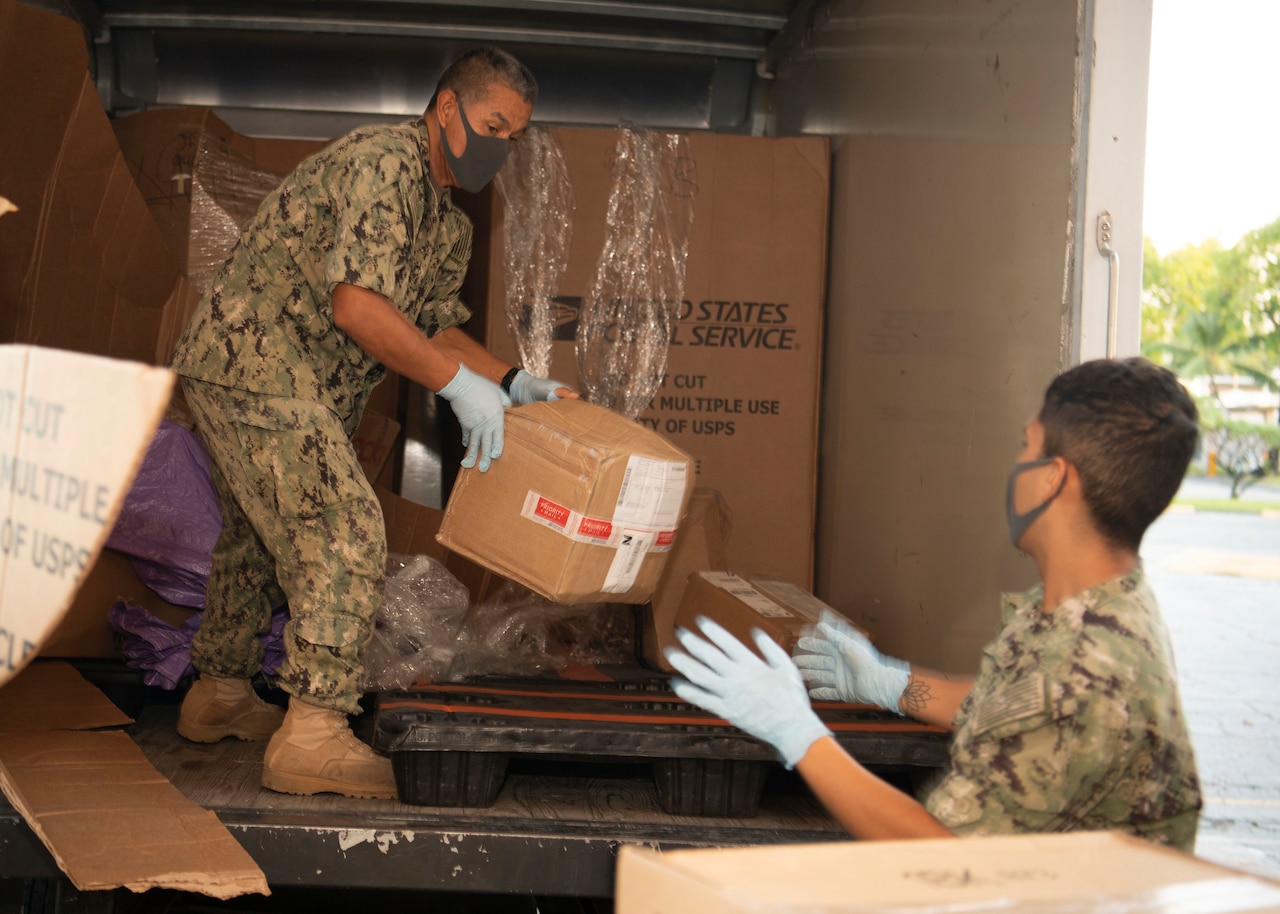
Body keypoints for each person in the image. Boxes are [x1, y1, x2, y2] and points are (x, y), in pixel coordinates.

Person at [169, 46, 574, 799]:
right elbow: (357, 306)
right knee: (342, 526)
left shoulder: (447, 226)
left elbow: (435, 329)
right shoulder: (385, 163)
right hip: (253, 361)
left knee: (259, 535)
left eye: (514, 138)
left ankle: (217, 694)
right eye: (493, 126)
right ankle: (314, 734)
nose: (501, 149)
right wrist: (456, 386)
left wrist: (511, 381)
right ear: (446, 109)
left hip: (273, 377)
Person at [667, 357, 1203, 849]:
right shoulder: (1100, 605)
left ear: (1050, 479)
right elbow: (1010, 705)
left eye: (1026, 445)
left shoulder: (1080, 667)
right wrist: (889, 682)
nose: (1014, 462)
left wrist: (798, 733)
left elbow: (941, 858)